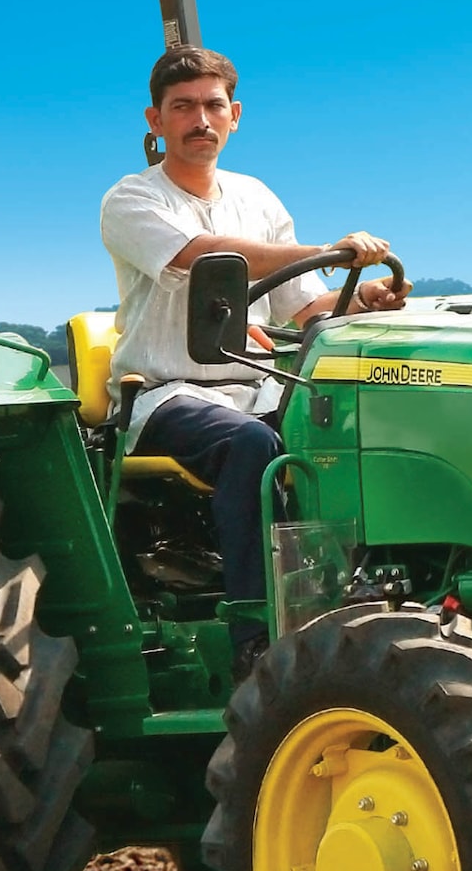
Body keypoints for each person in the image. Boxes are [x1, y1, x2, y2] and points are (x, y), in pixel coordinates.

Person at [97, 46, 405, 602]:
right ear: (156, 121)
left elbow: (306, 308)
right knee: (251, 444)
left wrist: (365, 299)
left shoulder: (257, 198)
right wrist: (324, 249)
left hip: (255, 388)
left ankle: (369, 588)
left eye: (213, 106)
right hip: (167, 395)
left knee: (357, 428)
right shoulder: (132, 199)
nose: (200, 121)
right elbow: (200, 255)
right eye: (183, 107)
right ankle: (260, 627)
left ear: (234, 115)